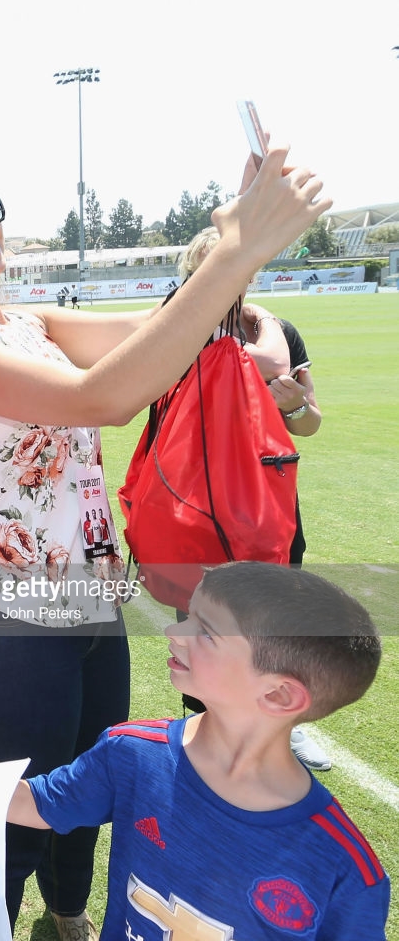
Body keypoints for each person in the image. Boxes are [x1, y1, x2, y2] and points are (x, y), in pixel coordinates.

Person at [0, 152, 330, 941]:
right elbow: (104, 397)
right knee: (9, 824)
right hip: (3, 611)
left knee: (92, 790)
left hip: (87, 593)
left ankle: (66, 913)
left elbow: (169, 332)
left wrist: (238, 234)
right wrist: (235, 246)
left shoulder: (33, 324)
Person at [0, 562, 388, 940]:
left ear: (280, 695)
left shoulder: (343, 869)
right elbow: (44, 802)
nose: (174, 633)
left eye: (206, 632)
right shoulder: (133, 753)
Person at [177, 226, 329, 770]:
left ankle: (280, 728)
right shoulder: (181, 329)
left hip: (269, 500)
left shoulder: (279, 331)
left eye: (241, 265)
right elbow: (258, 364)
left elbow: (310, 422)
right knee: (206, 624)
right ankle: (206, 735)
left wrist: (293, 407)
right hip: (198, 502)